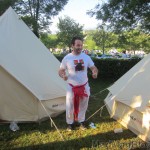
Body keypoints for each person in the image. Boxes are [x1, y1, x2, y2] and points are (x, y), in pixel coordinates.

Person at [58, 36, 98, 131]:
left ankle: (81, 121)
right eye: (77, 45)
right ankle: (70, 123)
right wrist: (63, 75)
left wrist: (95, 72)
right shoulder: (67, 58)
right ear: (72, 45)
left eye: (81, 45)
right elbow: (61, 70)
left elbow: (93, 67)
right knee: (70, 105)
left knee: (84, 104)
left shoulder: (86, 57)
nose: (80, 47)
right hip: (71, 86)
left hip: (84, 86)